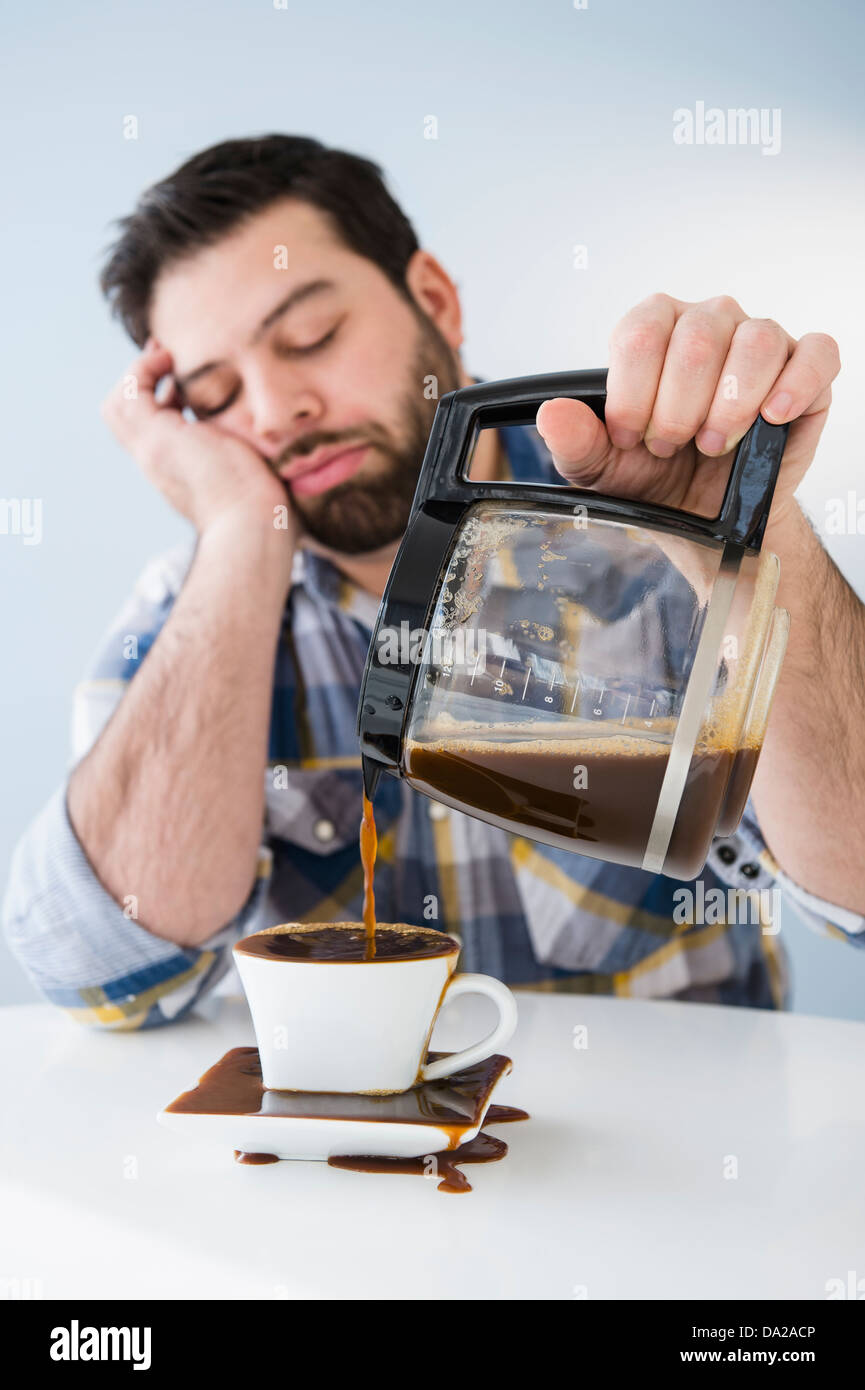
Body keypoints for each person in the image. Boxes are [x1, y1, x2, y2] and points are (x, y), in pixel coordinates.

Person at [3, 134, 862, 1029]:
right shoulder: (195, 608)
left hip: (671, 1162)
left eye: (311, 336)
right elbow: (107, 977)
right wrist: (235, 536)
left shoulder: (663, 532)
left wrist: (749, 545)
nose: (272, 412)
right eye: (216, 395)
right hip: (345, 1166)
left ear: (434, 300)